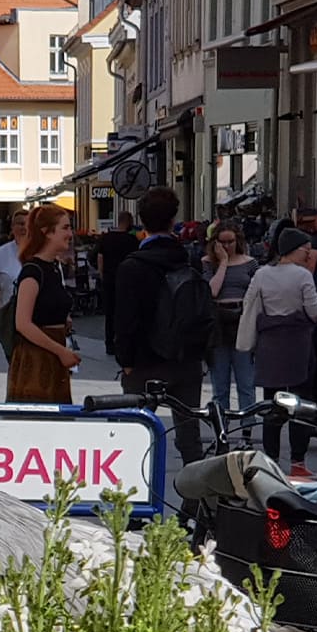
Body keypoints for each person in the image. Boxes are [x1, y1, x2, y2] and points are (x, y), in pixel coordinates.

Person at [114, 186, 212, 467]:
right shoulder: (188, 259)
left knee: (135, 432)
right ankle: (196, 500)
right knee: (189, 435)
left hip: (144, 361)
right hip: (185, 358)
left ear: (142, 223)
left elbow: (125, 319)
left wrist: (126, 360)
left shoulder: (132, 266)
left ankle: (134, 497)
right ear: (173, 220)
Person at [237, 227, 317, 479]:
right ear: (294, 250)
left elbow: (249, 304)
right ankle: (297, 463)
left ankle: (271, 461)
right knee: (301, 405)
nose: (308, 254)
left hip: (270, 345)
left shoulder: (262, 274)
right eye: (305, 249)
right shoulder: (303, 277)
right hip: (298, 345)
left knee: (271, 404)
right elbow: (314, 311)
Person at [6, 205, 80, 403]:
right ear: (47, 232)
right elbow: (22, 323)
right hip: (35, 360)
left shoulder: (54, 268)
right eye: (65, 228)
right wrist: (61, 351)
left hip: (53, 356)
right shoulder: (32, 271)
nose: (70, 234)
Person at [202, 221, 259, 440]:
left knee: (246, 380)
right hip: (218, 322)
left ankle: (247, 428)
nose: (227, 246)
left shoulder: (250, 263)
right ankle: (221, 427)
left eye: (231, 242)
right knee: (220, 382)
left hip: (242, 320)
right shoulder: (208, 263)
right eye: (222, 242)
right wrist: (223, 263)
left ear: (238, 241)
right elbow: (212, 291)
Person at [0, 209, 28, 344]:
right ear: (12, 228)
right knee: (14, 361)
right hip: (9, 320)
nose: (24, 227)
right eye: (20, 224)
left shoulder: (44, 252)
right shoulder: (0, 255)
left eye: (28, 223)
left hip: (39, 319)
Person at [96, 212, 138, 356]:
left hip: (109, 279)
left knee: (110, 312)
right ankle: (122, 342)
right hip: (126, 280)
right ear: (129, 222)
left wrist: (101, 274)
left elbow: (100, 257)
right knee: (125, 311)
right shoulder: (132, 240)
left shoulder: (106, 238)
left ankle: (109, 344)